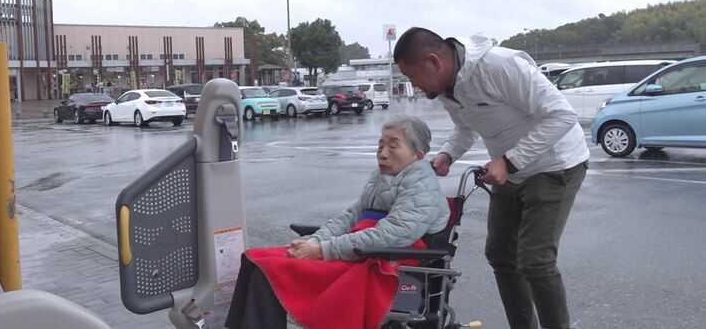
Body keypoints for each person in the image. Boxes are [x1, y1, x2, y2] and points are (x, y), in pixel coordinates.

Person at [394, 27, 589, 329]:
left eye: (411, 76)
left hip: (554, 165)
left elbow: (562, 115)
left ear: (433, 61)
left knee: (535, 261)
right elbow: (465, 127)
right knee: (500, 254)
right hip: (509, 171)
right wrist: (447, 154)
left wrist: (510, 162)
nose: (414, 85)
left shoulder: (499, 66)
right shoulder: (448, 88)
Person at [226, 115, 450, 329]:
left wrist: (321, 250)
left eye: (393, 146)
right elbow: (349, 217)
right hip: (361, 252)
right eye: (380, 146)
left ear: (418, 156)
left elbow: (390, 235)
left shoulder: (422, 188)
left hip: (383, 263)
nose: (382, 154)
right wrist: (313, 242)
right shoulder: (382, 178)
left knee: (271, 270)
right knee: (255, 259)